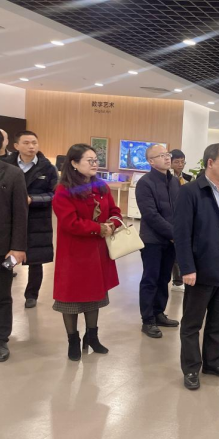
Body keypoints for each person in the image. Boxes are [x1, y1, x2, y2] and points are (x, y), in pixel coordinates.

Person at [174, 143, 219, 390]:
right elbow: (181, 233)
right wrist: (187, 268)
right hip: (201, 266)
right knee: (192, 322)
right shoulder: (191, 192)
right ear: (210, 163)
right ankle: (191, 368)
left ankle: (213, 362)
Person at [52, 144, 122, 361]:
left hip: (97, 252)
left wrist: (112, 224)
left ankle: (92, 337)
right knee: (71, 300)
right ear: (74, 163)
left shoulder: (101, 186)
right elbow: (69, 222)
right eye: (89, 160)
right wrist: (98, 228)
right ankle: (73, 340)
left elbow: (115, 211)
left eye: (95, 160)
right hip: (74, 254)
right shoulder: (63, 190)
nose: (94, 164)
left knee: (94, 297)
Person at [6, 131, 58, 308]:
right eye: (26, 143)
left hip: (37, 220)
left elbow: (55, 195)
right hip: (10, 220)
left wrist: (33, 199)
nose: (31, 146)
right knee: (8, 260)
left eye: (34, 143)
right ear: (16, 146)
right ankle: (3, 295)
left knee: (36, 260)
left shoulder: (48, 168)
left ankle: (31, 295)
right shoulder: (6, 165)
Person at [0, 125, 28, 362]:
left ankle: (0, 339)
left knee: (2, 296)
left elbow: (20, 214)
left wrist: (18, 248)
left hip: (1, 249)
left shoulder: (12, 174)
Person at [136, 145, 180, 338]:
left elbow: (180, 210)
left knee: (164, 278)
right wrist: (173, 233)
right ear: (151, 161)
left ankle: (159, 313)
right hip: (152, 240)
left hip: (171, 240)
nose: (167, 158)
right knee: (150, 279)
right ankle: (147, 320)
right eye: (161, 155)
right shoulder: (145, 183)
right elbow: (150, 214)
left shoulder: (174, 181)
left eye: (167, 154)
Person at [170, 149, 193, 292]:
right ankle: (175, 280)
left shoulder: (189, 178)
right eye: (177, 162)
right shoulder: (167, 179)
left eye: (182, 162)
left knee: (181, 250)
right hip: (171, 217)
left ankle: (178, 280)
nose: (180, 164)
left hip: (184, 216)